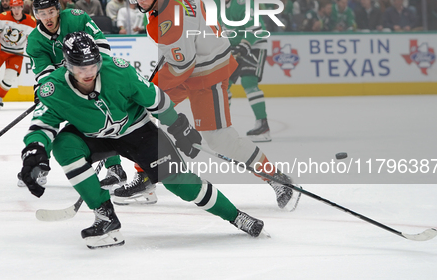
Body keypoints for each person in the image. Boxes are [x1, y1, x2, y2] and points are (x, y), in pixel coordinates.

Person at [19, 31, 268, 248]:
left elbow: (156, 99)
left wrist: (179, 126)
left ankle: (237, 216)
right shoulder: (52, 88)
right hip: (92, 136)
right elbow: (42, 124)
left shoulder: (118, 70)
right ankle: (105, 217)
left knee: (181, 184)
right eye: (80, 69)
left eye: (92, 66)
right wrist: (35, 151)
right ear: (67, 66)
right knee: (64, 146)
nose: (88, 74)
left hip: (138, 131)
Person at [125, 0, 301, 209]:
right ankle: (146, 175)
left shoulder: (169, 27)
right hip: (191, 53)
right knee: (143, 113)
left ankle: (277, 178)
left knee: (220, 139)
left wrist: (149, 88)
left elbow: (183, 67)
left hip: (207, 70)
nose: (137, 0)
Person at [24, 0, 129, 190]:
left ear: (58, 10)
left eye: (51, 11)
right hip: (63, 87)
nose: (48, 17)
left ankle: (115, 168)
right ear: (35, 15)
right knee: (45, 118)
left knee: (103, 117)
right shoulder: (35, 41)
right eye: (42, 13)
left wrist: (92, 78)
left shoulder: (77, 18)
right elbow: (45, 76)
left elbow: (102, 47)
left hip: (91, 79)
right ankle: (38, 163)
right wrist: (47, 94)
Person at [212, 0, 272, 141]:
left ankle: (263, 126)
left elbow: (256, 28)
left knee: (248, 81)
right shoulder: (215, 0)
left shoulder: (243, 0)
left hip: (254, 44)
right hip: (234, 46)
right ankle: (222, 125)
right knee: (223, 86)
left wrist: (244, 46)